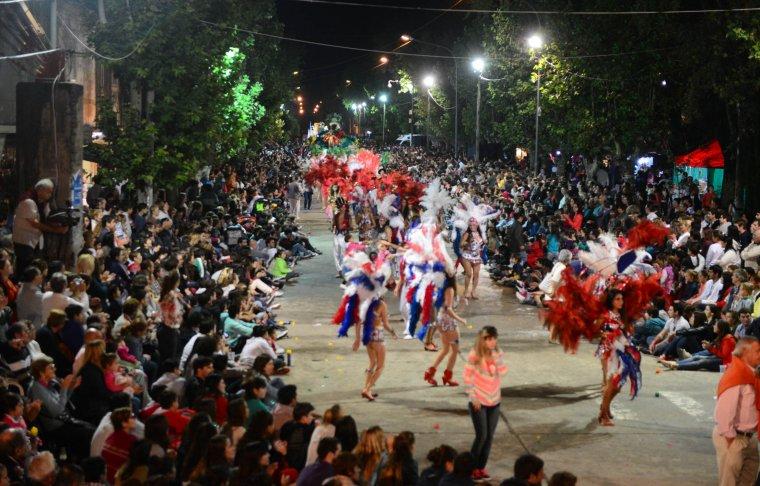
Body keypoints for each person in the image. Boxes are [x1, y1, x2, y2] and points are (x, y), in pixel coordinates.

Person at [712, 336, 760, 486]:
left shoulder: (751, 374)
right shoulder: (736, 376)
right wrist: (731, 441)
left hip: (749, 437)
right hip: (734, 438)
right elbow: (724, 414)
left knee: (748, 478)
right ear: (745, 352)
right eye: (757, 351)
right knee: (729, 482)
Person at [463, 326, 507, 481]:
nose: (492, 341)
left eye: (494, 338)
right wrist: (473, 396)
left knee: (489, 437)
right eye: (489, 339)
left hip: (494, 400)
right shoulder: (474, 354)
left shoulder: (498, 353)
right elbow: (467, 377)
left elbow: (503, 372)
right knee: (481, 436)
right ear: (482, 340)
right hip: (478, 401)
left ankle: (481, 468)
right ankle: (471, 468)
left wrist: (497, 359)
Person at [597, 289, 642, 426]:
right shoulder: (605, 315)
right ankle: (603, 416)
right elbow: (595, 330)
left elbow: (628, 332)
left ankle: (605, 407)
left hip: (622, 352)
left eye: (621, 299)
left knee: (618, 386)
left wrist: (628, 329)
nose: (621, 302)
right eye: (617, 299)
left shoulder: (622, 316)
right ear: (611, 301)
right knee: (610, 384)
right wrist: (605, 334)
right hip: (608, 351)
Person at [12, 179, 67, 272]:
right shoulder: (28, 201)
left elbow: (44, 218)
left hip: (31, 242)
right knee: (26, 271)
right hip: (24, 242)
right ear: (40, 189)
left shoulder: (39, 202)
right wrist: (56, 230)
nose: (50, 195)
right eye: (48, 192)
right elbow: (35, 224)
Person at [424, 273, 467, 387]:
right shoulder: (450, 289)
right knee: (454, 351)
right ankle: (447, 377)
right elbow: (448, 309)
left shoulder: (440, 286)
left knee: (446, 350)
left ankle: (430, 373)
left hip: (440, 320)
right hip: (448, 322)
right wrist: (461, 319)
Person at [352, 296, 397, 402]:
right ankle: (367, 389)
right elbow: (386, 324)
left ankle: (367, 388)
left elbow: (358, 322)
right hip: (377, 335)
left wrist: (357, 339)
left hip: (367, 335)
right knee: (380, 366)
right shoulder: (382, 304)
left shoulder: (363, 303)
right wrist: (393, 332)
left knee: (372, 362)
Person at [100, 407, 138, 483]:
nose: (135, 419)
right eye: (132, 417)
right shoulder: (132, 440)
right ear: (123, 423)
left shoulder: (111, 437)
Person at [280, 402, 316, 471]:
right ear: (304, 418)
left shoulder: (288, 424)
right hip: (298, 466)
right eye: (311, 415)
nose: (313, 417)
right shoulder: (302, 432)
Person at [460, 218, 485, 301]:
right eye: (470, 225)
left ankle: (473, 291)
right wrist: (467, 243)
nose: (472, 226)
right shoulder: (467, 233)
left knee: (476, 275)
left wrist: (484, 242)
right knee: (469, 274)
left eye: (473, 225)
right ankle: (466, 291)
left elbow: (481, 245)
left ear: (477, 225)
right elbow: (461, 244)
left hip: (477, 256)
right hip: (467, 255)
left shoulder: (480, 233)